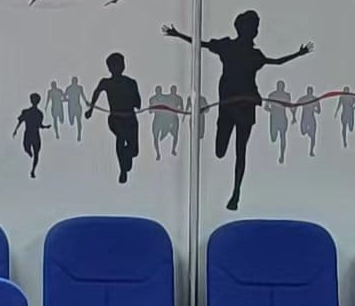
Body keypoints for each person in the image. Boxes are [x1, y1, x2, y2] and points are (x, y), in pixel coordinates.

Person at [164, 11, 312, 212]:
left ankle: (236, 193)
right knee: (220, 150)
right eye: (252, 27)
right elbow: (202, 44)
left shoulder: (255, 55)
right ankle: (232, 181)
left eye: (255, 28)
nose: (255, 31)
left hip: (246, 107)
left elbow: (276, 62)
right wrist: (178, 34)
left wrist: (298, 54)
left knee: (240, 151)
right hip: (227, 107)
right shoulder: (227, 46)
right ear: (242, 28)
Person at [87, 54, 145, 185]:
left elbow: (138, 103)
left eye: (120, 64)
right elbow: (97, 92)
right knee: (121, 137)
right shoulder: (106, 83)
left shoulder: (131, 83)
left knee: (134, 151)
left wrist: (130, 98)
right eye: (115, 65)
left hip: (130, 119)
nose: (117, 68)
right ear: (109, 68)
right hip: (116, 119)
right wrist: (91, 109)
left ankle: (126, 158)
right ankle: (123, 170)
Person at [12, 94, 51, 177]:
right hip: (29, 134)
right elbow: (20, 121)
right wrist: (16, 130)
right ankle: (29, 153)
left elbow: (39, 125)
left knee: (36, 154)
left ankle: (33, 171)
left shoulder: (39, 113)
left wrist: (45, 127)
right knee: (27, 148)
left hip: (34, 134)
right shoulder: (27, 112)